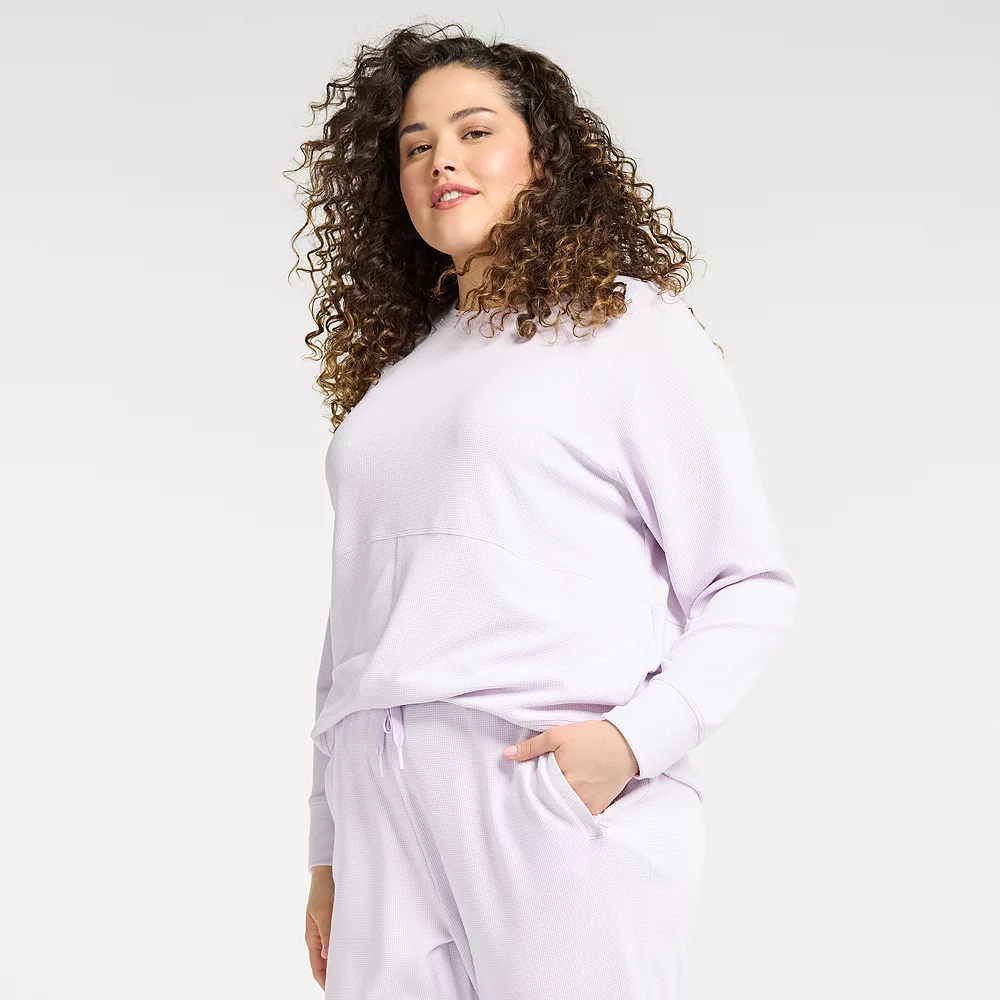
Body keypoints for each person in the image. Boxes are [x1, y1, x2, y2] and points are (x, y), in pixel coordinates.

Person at [287, 21, 799, 1000]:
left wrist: (630, 744)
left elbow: (748, 584)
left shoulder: (626, 326)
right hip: (377, 798)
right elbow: (350, 627)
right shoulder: (397, 380)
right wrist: (328, 843)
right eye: (415, 145)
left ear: (543, 155)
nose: (441, 159)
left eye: (474, 131)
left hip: (534, 779)